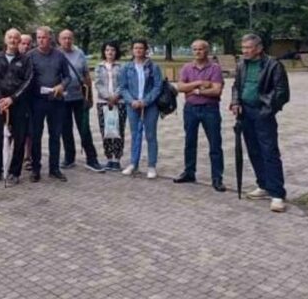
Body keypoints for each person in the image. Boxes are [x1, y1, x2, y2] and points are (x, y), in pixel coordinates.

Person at [230, 33, 290, 212]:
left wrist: (267, 110)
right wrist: (235, 102)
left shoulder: (273, 65)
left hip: (263, 113)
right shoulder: (242, 64)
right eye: (243, 47)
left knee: (269, 152)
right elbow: (236, 86)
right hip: (245, 113)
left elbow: (282, 92)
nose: (244, 51)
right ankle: (263, 185)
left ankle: (277, 194)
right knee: (254, 151)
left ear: (259, 48)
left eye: (248, 48)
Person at [173, 40, 226, 192]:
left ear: (207, 51)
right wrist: (200, 82)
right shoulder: (187, 67)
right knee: (190, 142)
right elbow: (180, 87)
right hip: (190, 109)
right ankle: (189, 172)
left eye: (200, 49)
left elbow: (216, 90)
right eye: (195, 49)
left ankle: (217, 178)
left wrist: (195, 91)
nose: (197, 52)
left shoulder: (215, 68)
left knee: (215, 144)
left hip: (210, 109)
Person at [0, 28, 33, 185]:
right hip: (0, 104)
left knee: (19, 139)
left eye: (15, 38)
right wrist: (0, 99)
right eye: (10, 37)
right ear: (5, 39)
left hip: (19, 104)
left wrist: (12, 98)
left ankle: (14, 172)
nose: (13, 40)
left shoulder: (26, 60)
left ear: (19, 41)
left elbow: (28, 81)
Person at [27, 26, 71, 182]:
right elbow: (25, 78)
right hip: (37, 101)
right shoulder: (30, 56)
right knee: (36, 135)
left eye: (44, 37)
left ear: (50, 38)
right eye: (38, 37)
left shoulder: (59, 55)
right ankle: (36, 169)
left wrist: (62, 86)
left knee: (55, 135)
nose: (41, 40)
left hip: (56, 101)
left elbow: (67, 77)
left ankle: (54, 168)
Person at [58, 30, 104, 173]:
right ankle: (69, 157)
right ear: (59, 40)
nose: (67, 41)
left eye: (69, 38)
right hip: (63, 99)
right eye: (64, 38)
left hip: (79, 98)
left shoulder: (79, 54)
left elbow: (86, 75)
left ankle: (92, 159)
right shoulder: (56, 54)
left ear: (73, 39)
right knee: (65, 130)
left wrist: (89, 97)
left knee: (84, 129)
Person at [118, 39, 163, 178]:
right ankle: (133, 163)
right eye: (136, 48)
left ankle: (151, 166)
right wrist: (131, 101)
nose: (138, 50)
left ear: (145, 50)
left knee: (150, 135)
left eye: (141, 48)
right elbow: (123, 87)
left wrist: (145, 101)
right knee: (135, 134)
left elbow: (158, 86)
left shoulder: (153, 67)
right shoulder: (126, 68)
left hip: (150, 105)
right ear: (132, 50)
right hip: (132, 105)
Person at [94, 41, 127, 171]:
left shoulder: (122, 67)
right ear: (104, 52)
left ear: (116, 52)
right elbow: (98, 84)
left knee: (118, 130)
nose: (110, 52)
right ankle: (108, 158)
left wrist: (115, 97)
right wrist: (108, 97)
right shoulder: (99, 67)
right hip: (103, 102)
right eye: (107, 50)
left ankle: (117, 159)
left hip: (119, 102)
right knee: (106, 130)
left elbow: (123, 84)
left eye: (112, 50)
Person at [19, 33, 35, 171]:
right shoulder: (11, 58)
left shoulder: (33, 58)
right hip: (14, 99)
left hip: (31, 99)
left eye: (28, 44)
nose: (25, 46)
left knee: (30, 130)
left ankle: (27, 156)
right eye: (23, 43)